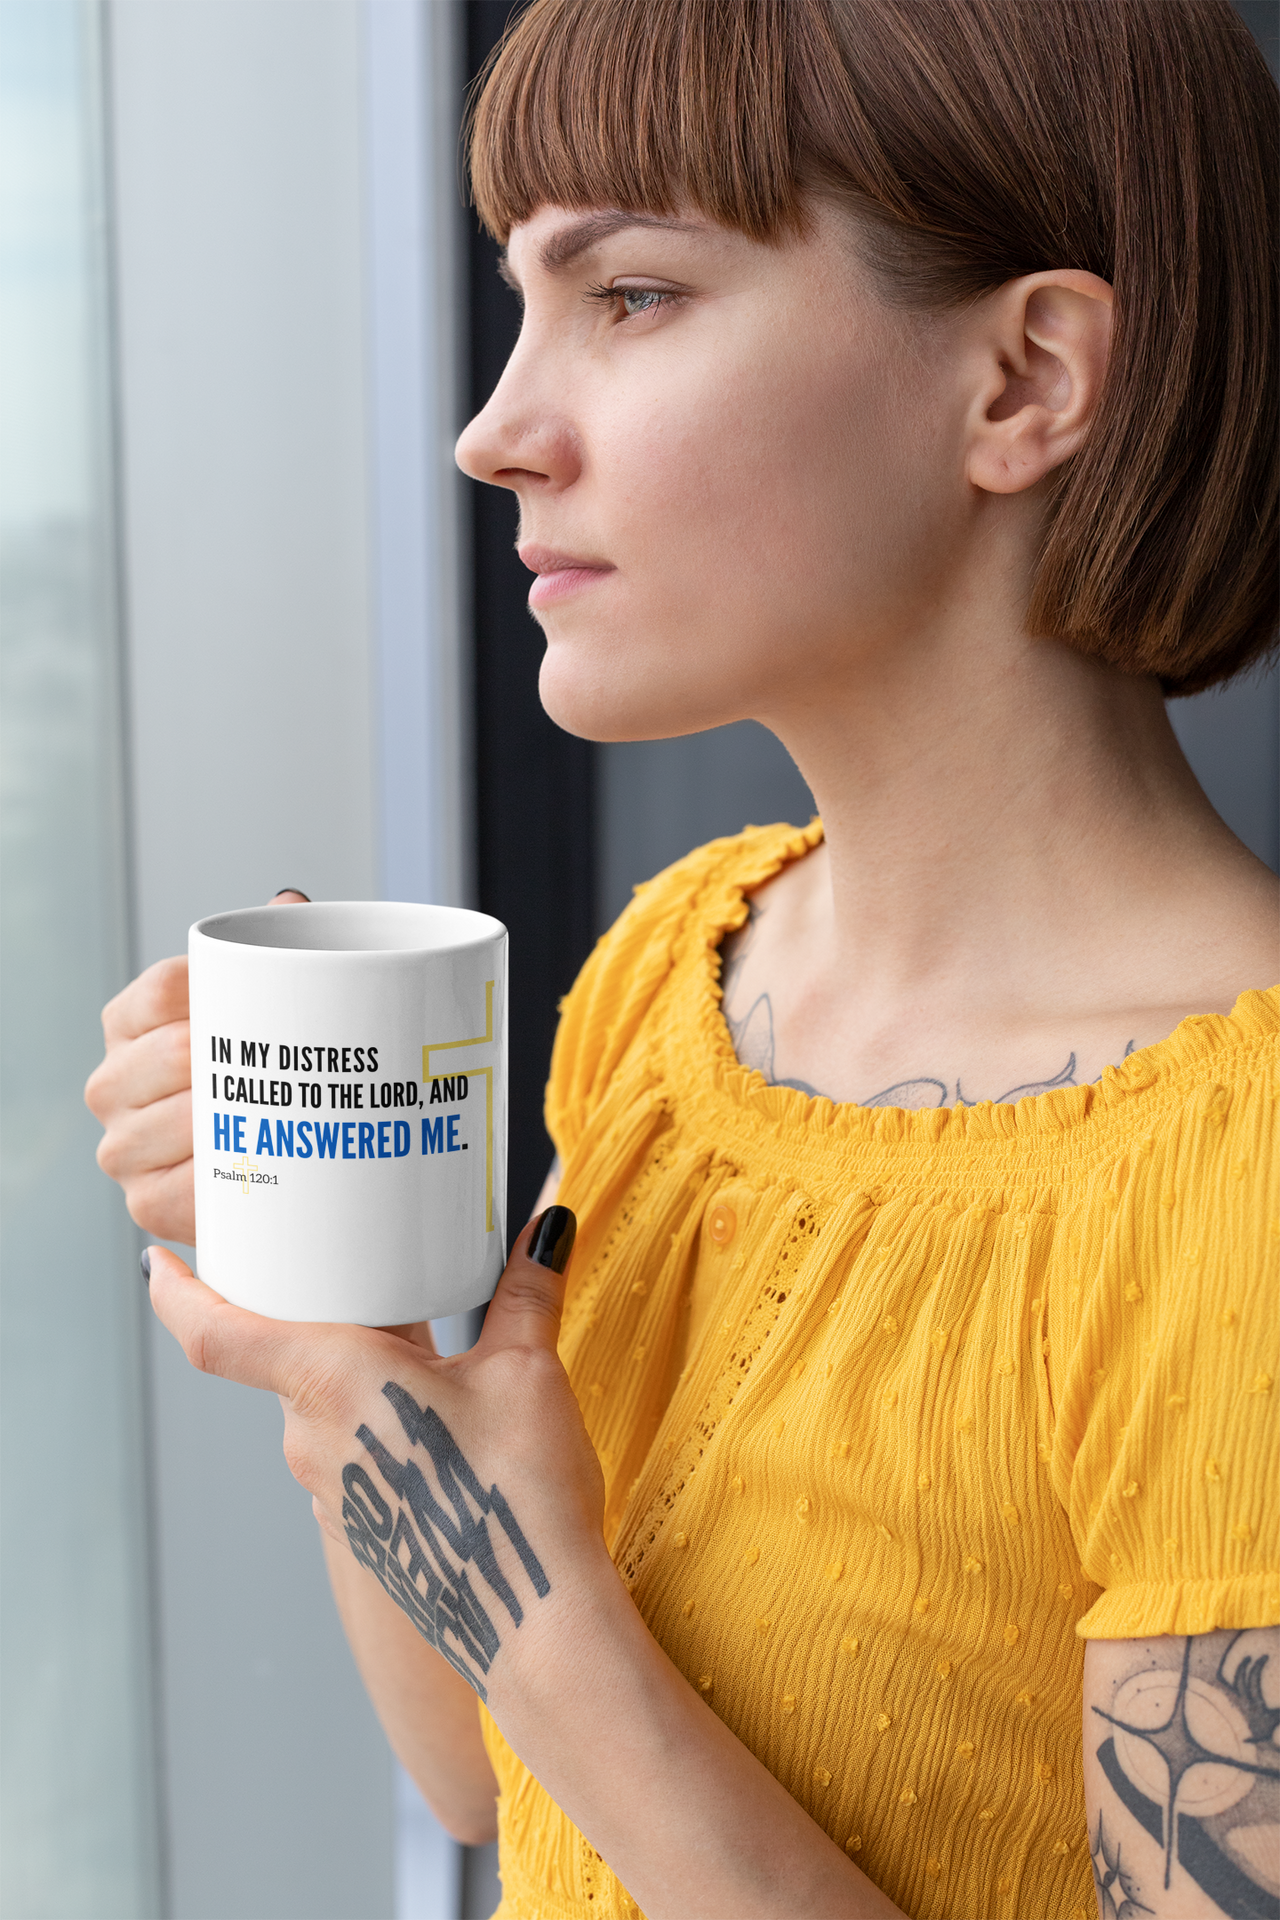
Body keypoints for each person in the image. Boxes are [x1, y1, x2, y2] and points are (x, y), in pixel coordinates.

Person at [86, 1, 1278, 1914]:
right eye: (521, 301)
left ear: (1024, 379)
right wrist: (355, 1302)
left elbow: (539, 1678)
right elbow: (476, 1771)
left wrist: (547, 1620)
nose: (495, 432)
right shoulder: (684, 971)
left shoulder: (1246, 1188)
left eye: (630, 293)